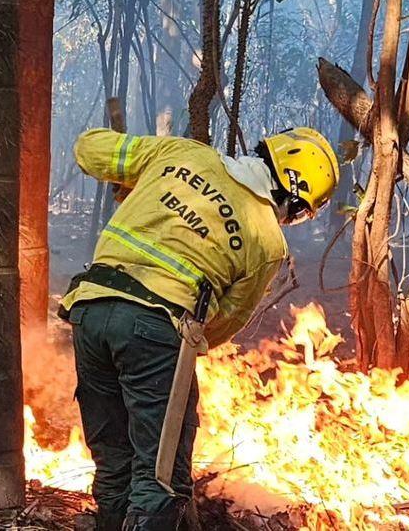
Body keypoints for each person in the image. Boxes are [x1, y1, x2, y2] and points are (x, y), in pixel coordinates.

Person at [59, 128, 339, 530]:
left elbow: (88, 148)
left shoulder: (181, 153)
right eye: (298, 211)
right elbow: (223, 320)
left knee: (114, 461)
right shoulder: (267, 240)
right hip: (156, 330)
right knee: (160, 476)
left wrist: (134, 174)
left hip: (89, 310)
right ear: (294, 198)